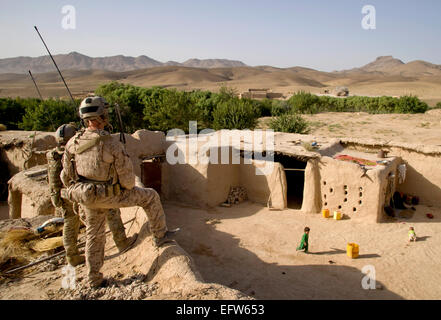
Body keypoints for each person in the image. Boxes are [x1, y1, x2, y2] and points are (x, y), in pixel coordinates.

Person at [60, 96, 177, 288]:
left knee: (93, 236)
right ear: (103, 115)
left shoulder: (72, 143)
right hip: (111, 195)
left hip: (87, 197)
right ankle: (160, 235)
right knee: (150, 197)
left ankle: (94, 278)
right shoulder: (111, 143)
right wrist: (119, 189)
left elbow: (66, 178)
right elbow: (128, 181)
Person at [48, 123, 136, 267]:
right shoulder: (73, 151)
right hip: (80, 191)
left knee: (70, 224)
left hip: (63, 194)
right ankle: (121, 242)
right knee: (111, 212)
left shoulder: (53, 154)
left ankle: (72, 256)